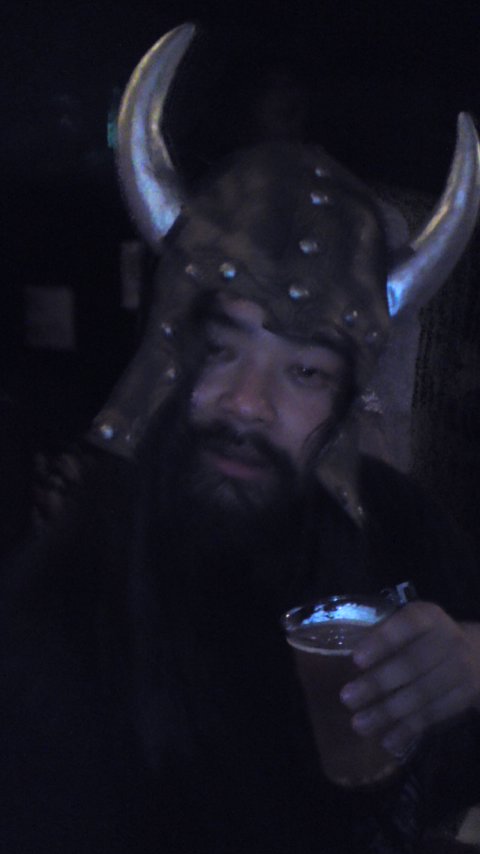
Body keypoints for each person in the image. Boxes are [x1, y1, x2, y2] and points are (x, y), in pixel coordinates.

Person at [2, 23, 480, 854]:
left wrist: (475, 663)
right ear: (168, 354)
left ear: (344, 400)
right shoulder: (58, 615)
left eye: (305, 371)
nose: (249, 405)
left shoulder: (403, 529)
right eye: (222, 350)